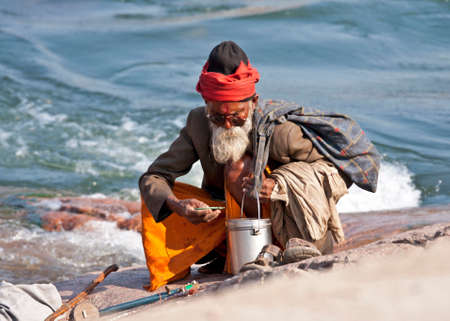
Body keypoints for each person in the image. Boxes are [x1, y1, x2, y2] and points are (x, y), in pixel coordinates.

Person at [139, 41, 379, 291]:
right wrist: (178, 206)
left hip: (296, 235)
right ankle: (227, 253)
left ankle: (279, 250)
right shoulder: (198, 124)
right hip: (230, 230)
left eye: (237, 116)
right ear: (205, 102)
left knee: (238, 168)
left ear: (253, 101)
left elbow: (336, 170)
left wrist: (280, 185)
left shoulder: (282, 134)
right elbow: (155, 176)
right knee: (158, 196)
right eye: (218, 117)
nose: (228, 125)